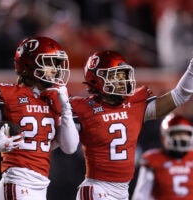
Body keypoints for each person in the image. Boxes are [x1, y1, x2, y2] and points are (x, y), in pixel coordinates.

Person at [69, 50, 193, 200]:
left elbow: (180, 95)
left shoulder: (135, 104)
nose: (122, 81)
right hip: (97, 189)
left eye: (123, 76)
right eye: (116, 76)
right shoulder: (83, 108)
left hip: (123, 190)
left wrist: (191, 70)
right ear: (96, 79)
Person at [0, 36, 79, 200]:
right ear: (28, 64)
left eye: (56, 63)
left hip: (41, 184)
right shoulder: (6, 93)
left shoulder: (54, 99)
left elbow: (70, 147)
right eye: (49, 63)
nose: (55, 69)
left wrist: (66, 105)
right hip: (17, 181)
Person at [132, 113, 193, 200]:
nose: (182, 138)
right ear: (165, 136)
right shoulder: (153, 159)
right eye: (176, 134)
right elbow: (142, 196)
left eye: (184, 134)